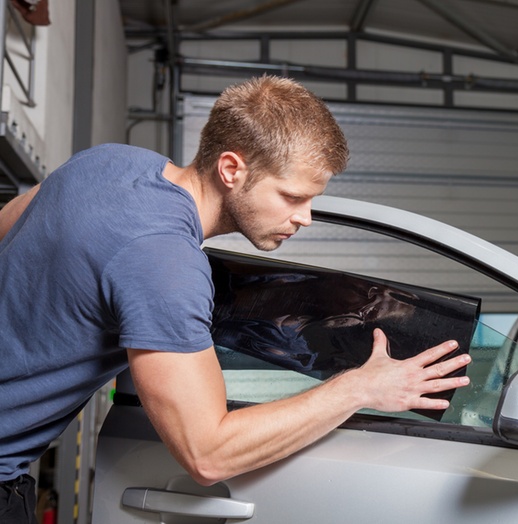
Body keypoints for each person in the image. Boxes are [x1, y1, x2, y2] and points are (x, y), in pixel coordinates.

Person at [0, 75, 470, 523]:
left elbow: (7, 225)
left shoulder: (108, 162)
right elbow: (208, 454)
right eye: (291, 197)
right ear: (231, 168)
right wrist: (360, 388)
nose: (305, 217)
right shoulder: (166, 265)